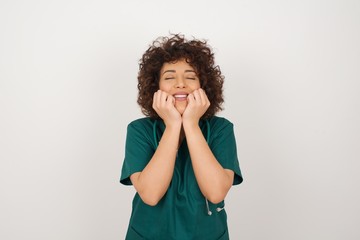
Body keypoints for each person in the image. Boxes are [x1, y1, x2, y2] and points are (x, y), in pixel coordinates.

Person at [120, 34, 243, 240]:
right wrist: (173, 125)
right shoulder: (138, 130)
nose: (180, 84)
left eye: (191, 76)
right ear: (155, 87)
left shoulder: (221, 129)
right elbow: (150, 195)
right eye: (169, 77)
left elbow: (216, 193)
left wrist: (191, 124)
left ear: (204, 86)